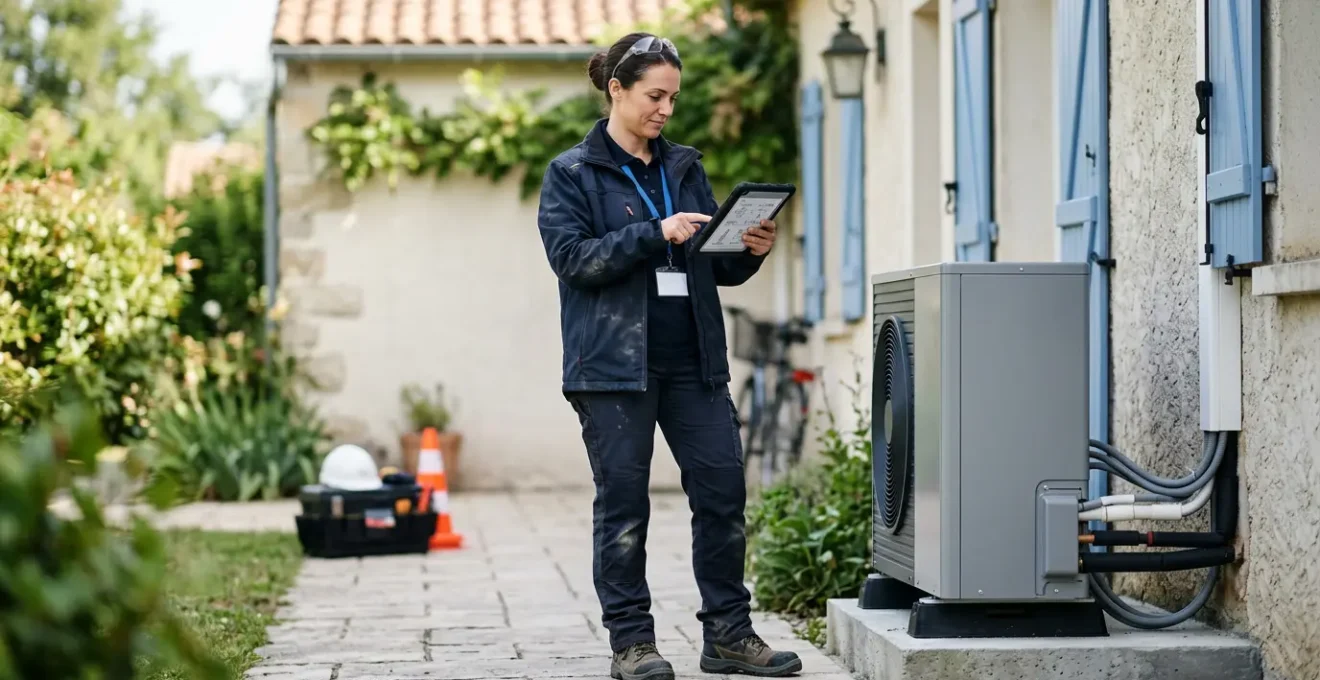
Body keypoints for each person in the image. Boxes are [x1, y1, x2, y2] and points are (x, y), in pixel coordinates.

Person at [535, 31, 802, 680]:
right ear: (617, 90)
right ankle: (633, 644)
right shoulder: (572, 173)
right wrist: (655, 232)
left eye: (674, 98)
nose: (665, 110)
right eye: (655, 95)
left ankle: (729, 637)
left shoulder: (684, 168)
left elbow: (712, 268)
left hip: (695, 363)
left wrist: (749, 249)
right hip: (613, 370)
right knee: (625, 507)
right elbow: (574, 261)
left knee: (723, 494)